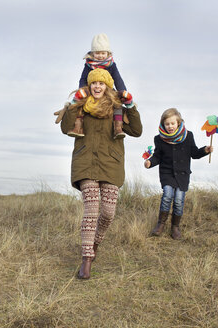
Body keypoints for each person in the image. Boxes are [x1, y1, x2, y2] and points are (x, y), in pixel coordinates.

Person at [60, 68, 142, 279]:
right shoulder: (80, 107)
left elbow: (136, 130)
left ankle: (95, 243)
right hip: (85, 163)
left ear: (107, 86)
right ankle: (86, 259)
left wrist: (130, 105)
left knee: (108, 213)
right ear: (89, 86)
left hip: (111, 165)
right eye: (94, 83)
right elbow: (66, 128)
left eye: (101, 83)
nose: (97, 86)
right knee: (91, 209)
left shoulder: (117, 109)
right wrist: (72, 105)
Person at [144, 108, 213, 240]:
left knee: (179, 200)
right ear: (163, 124)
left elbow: (194, 154)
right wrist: (150, 162)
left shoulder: (188, 136)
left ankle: (175, 227)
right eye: (167, 124)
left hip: (182, 174)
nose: (170, 126)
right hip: (167, 173)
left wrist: (205, 150)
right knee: (167, 195)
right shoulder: (159, 139)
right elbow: (157, 156)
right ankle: (161, 224)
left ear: (179, 123)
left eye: (172, 123)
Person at [56, 33, 134, 139]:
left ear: (108, 53)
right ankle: (78, 126)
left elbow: (117, 79)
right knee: (81, 102)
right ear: (93, 53)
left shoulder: (111, 65)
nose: (100, 56)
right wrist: (82, 91)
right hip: (90, 89)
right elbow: (83, 78)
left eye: (103, 53)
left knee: (117, 104)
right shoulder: (89, 65)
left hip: (108, 90)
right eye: (97, 53)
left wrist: (123, 92)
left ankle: (117, 127)